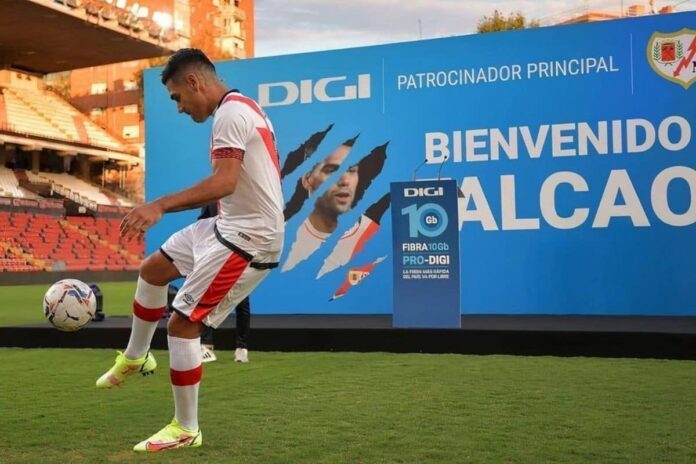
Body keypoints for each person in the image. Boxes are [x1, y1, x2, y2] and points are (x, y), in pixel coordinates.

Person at [95, 48, 283, 452]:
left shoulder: (231, 114)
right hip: (226, 225)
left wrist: (159, 204)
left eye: (178, 97)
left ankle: (186, 428)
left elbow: (225, 183)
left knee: (183, 324)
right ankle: (136, 356)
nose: (179, 108)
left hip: (249, 237)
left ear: (195, 82)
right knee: (153, 269)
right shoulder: (239, 107)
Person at [197, 202, 251, 364]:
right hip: (215, 255)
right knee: (209, 298)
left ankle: (242, 348)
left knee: (241, 301)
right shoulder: (211, 198)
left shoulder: (245, 196)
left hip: (241, 254)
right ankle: (206, 346)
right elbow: (202, 224)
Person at [281, 163, 358, 271]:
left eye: (351, 170)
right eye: (331, 171)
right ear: (307, 181)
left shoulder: (367, 238)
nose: (345, 181)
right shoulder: (279, 236)